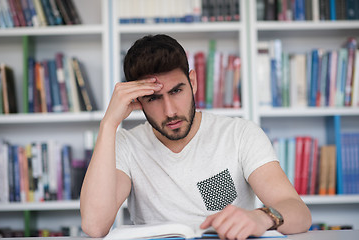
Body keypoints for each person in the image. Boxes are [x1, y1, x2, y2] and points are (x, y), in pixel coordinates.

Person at [80, 34, 312, 239]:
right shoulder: (126, 145)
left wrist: (262, 218)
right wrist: (108, 124)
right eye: (154, 98)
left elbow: (299, 213)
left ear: (193, 82)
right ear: (137, 101)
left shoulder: (241, 134)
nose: (170, 111)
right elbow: (94, 226)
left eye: (176, 91)